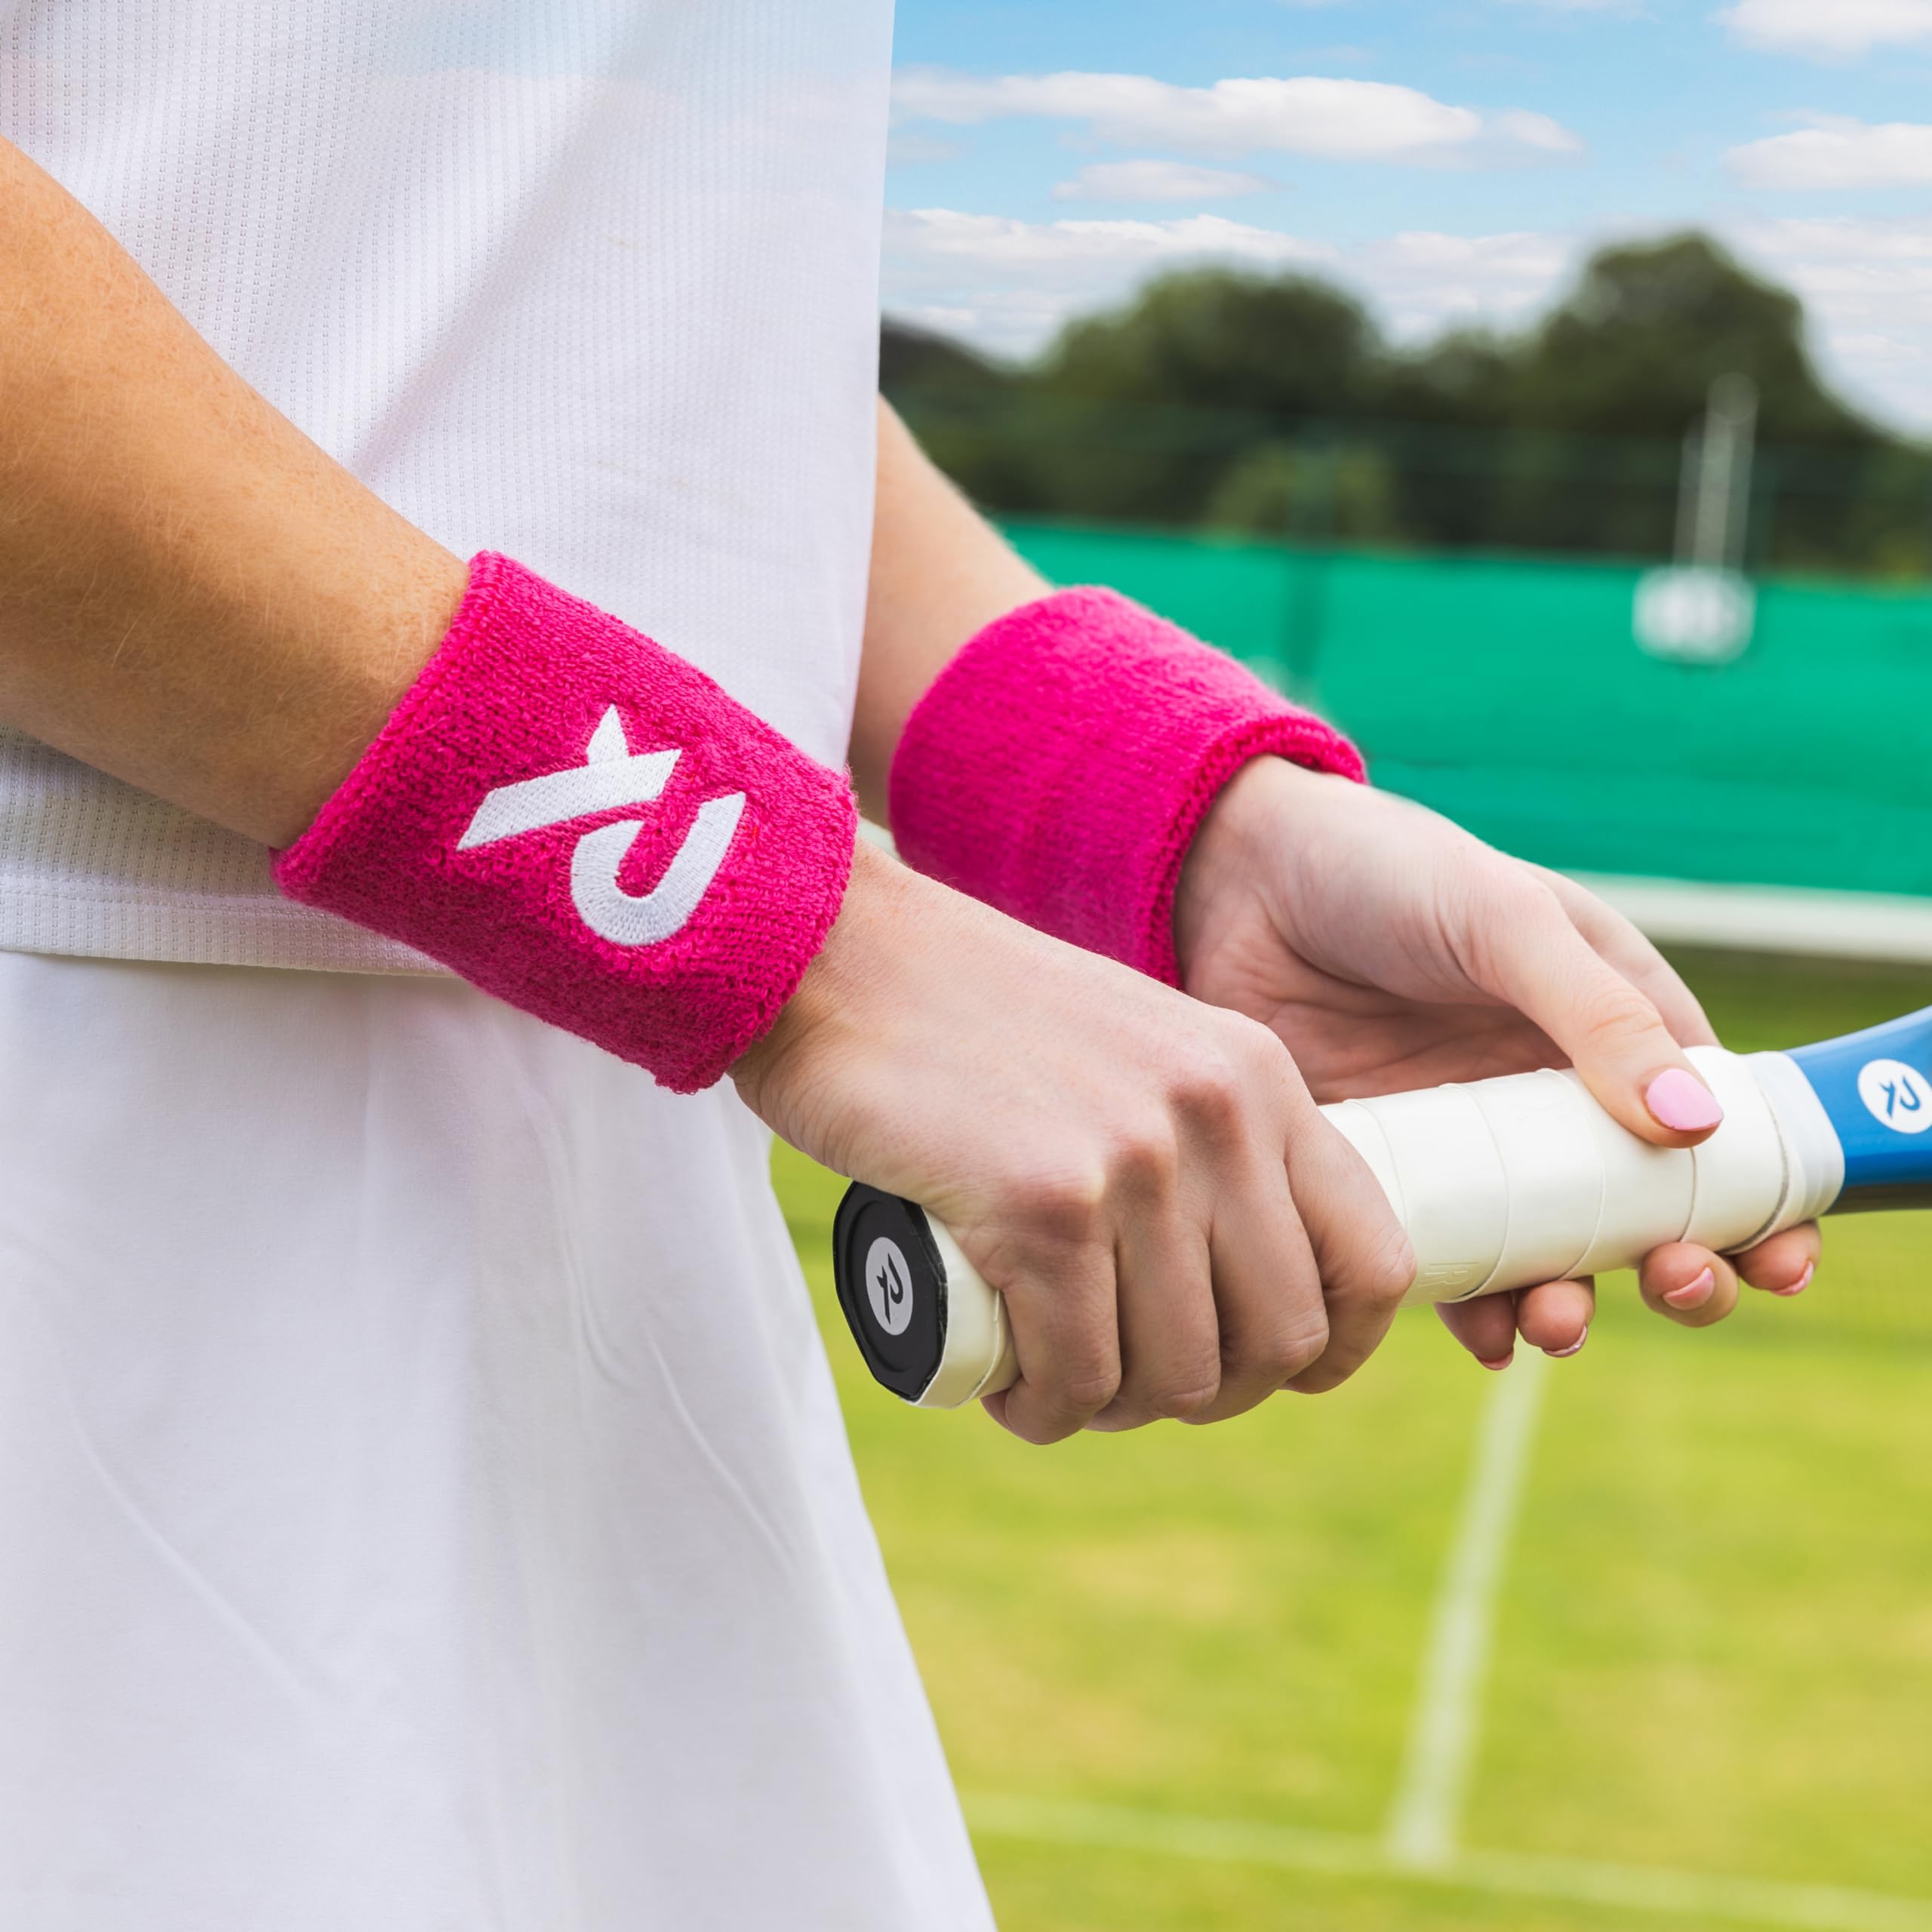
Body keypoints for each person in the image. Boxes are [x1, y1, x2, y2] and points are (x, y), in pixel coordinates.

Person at [0, 8, 1818, 1927]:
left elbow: (554, 292)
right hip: (99, 1213)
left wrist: (1146, 815)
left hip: (605, 1231)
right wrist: (794, 929)